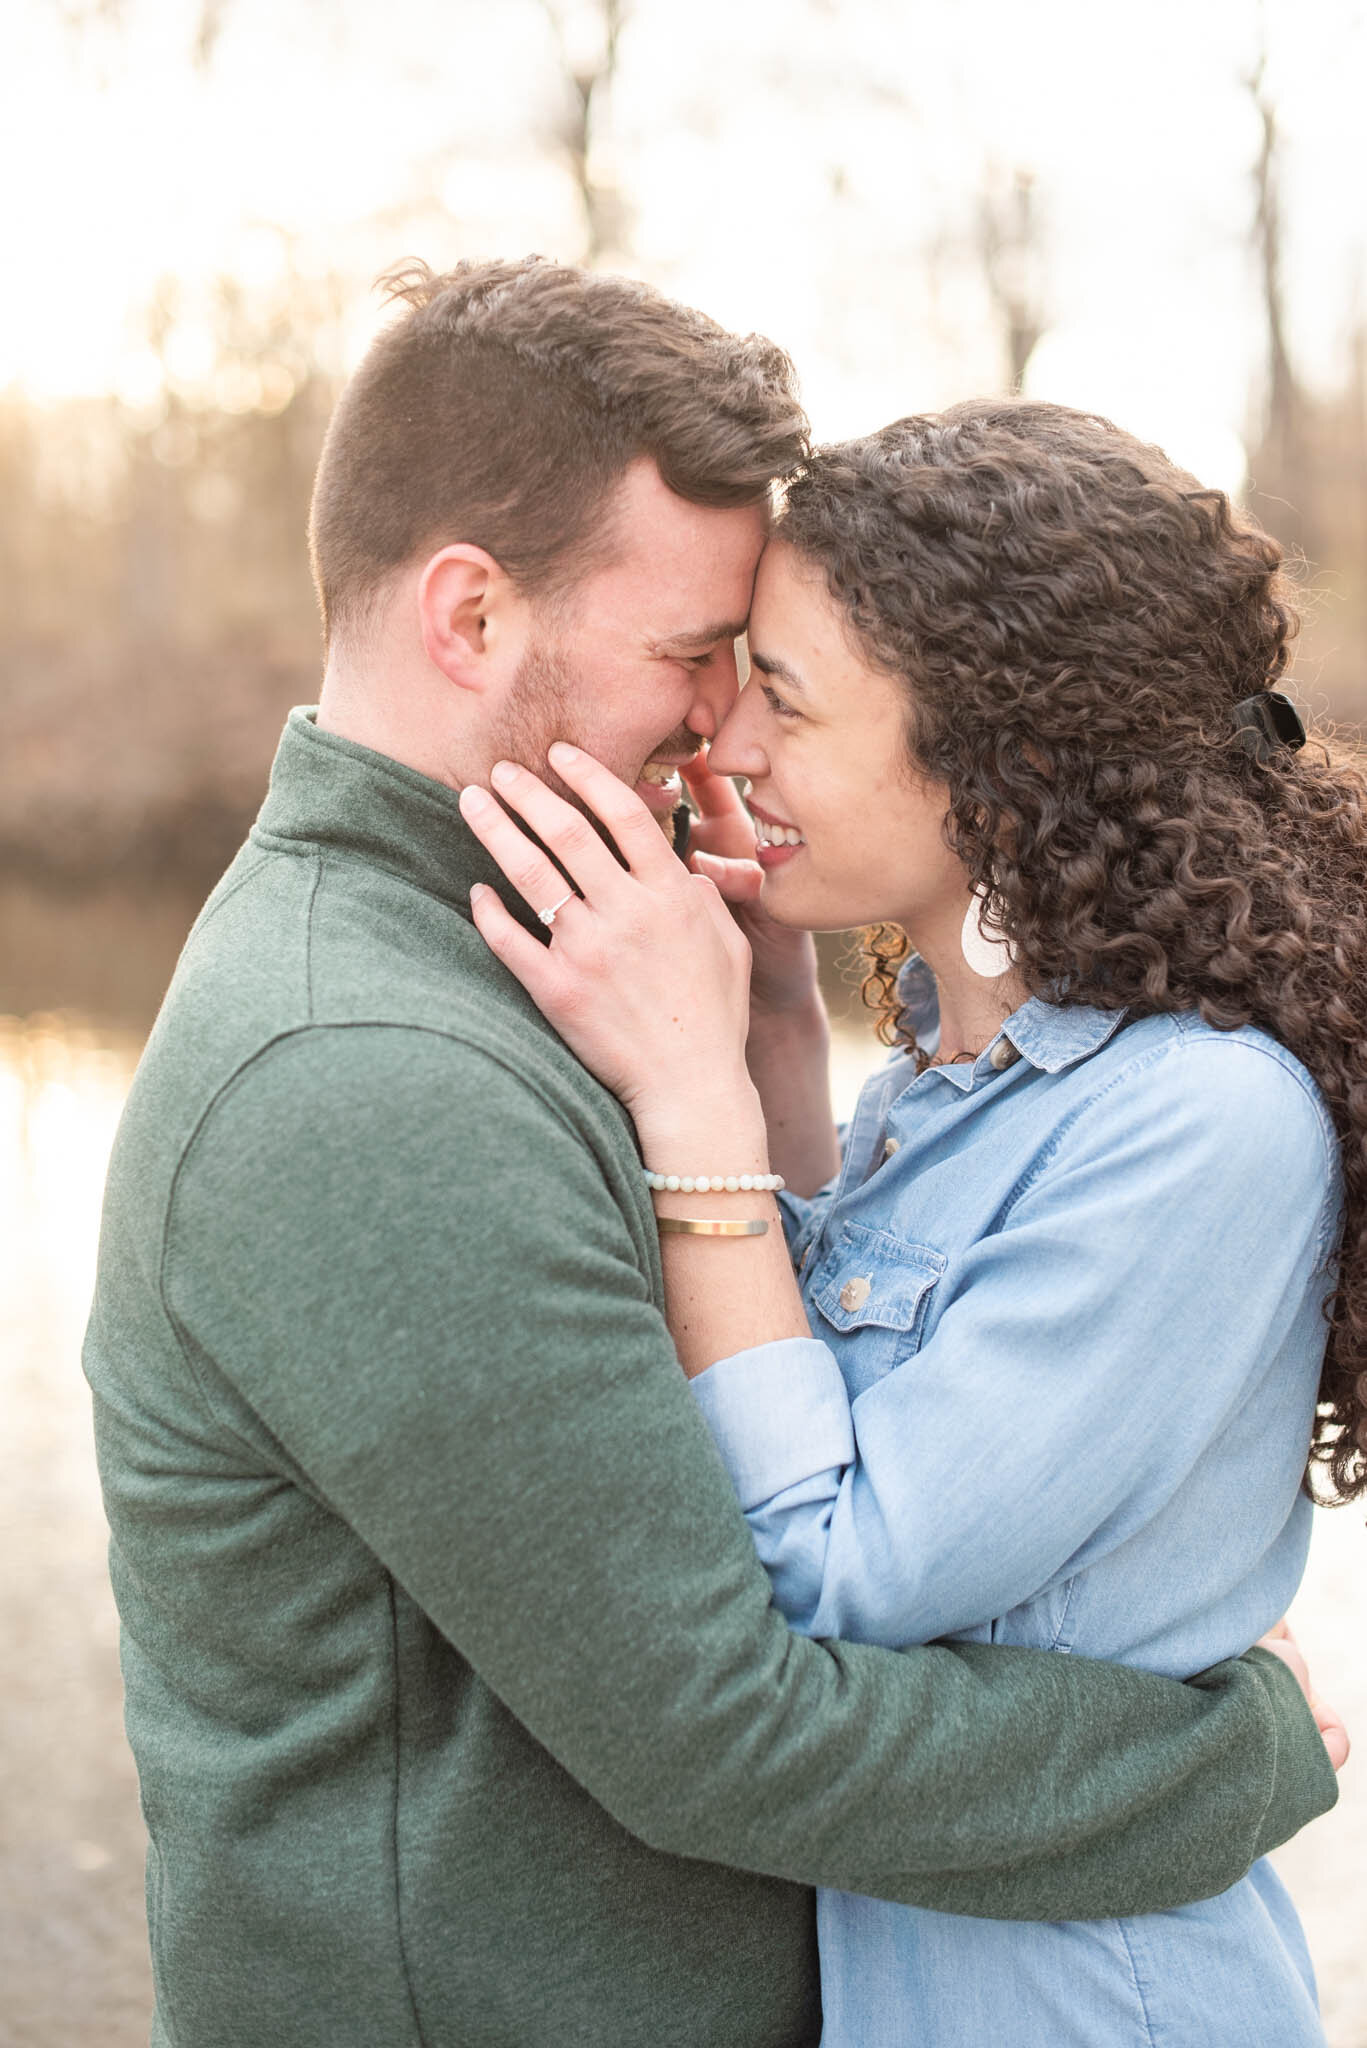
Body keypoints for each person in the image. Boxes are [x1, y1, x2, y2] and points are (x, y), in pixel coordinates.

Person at [83, 272, 1342, 2048]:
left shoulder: (548, 951)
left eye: (765, 684)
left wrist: (750, 1069)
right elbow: (731, 1716)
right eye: (695, 658)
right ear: (469, 615)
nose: (716, 735)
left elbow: (834, 1445)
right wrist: (1230, 1762)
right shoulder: (362, 1068)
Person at [461, 397, 1363, 2045]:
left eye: (785, 700)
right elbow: (814, 1387)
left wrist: (697, 1109)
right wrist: (775, 1038)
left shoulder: (1199, 1125)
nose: (726, 747)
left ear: (995, 756)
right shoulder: (955, 1079)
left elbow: (833, 1569)